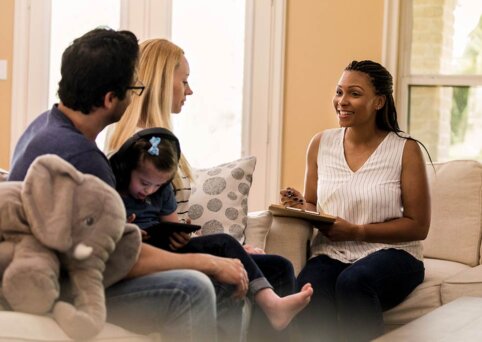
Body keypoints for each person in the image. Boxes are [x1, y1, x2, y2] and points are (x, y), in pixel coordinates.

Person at [8, 27, 250, 342]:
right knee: (192, 288)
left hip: (46, 270)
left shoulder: (44, 124)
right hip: (64, 285)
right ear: (110, 99)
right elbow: (119, 258)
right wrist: (208, 262)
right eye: (133, 87)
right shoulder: (84, 160)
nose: (136, 94)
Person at [106, 38, 302, 341]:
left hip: (172, 248)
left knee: (277, 266)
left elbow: (175, 228)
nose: (189, 90)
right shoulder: (134, 152)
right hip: (151, 257)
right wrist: (220, 255)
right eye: (184, 80)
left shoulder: (163, 147)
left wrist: (236, 251)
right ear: (160, 82)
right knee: (251, 270)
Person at [279, 60, 431, 342]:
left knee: (353, 282)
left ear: (378, 102)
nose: (342, 101)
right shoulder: (320, 144)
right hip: (332, 251)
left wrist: (358, 231)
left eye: (354, 94)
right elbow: (313, 203)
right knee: (308, 289)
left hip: (394, 253)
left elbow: (418, 226)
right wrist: (302, 207)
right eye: (339, 92)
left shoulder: (405, 149)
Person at [109, 127, 313, 331]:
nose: (149, 190)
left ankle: (273, 304)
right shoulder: (112, 188)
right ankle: (270, 303)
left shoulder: (161, 191)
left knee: (274, 263)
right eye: (145, 183)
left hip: (166, 246)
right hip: (139, 251)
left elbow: (172, 224)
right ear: (126, 169)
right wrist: (124, 228)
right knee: (226, 263)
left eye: (157, 186)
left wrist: (181, 234)